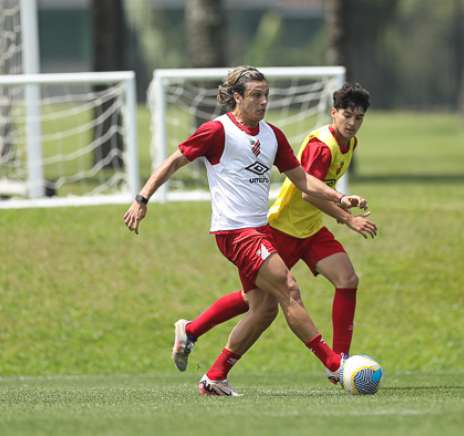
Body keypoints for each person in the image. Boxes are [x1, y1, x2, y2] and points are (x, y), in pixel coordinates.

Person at [123, 66, 368, 396]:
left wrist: (339, 197)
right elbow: (174, 161)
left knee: (263, 308)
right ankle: (336, 366)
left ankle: (214, 376)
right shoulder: (217, 131)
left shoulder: (273, 135)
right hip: (234, 232)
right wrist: (142, 198)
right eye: (256, 95)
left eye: (266, 95)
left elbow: (302, 180)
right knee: (289, 289)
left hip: (261, 230)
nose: (263, 101)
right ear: (236, 97)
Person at [171, 83, 376, 378]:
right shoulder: (321, 146)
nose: (353, 123)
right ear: (334, 113)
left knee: (347, 279)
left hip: (311, 229)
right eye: (347, 116)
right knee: (259, 302)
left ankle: (342, 364)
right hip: (282, 229)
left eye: (359, 118)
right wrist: (348, 218)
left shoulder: (350, 144)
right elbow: (308, 192)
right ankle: (193, 332)